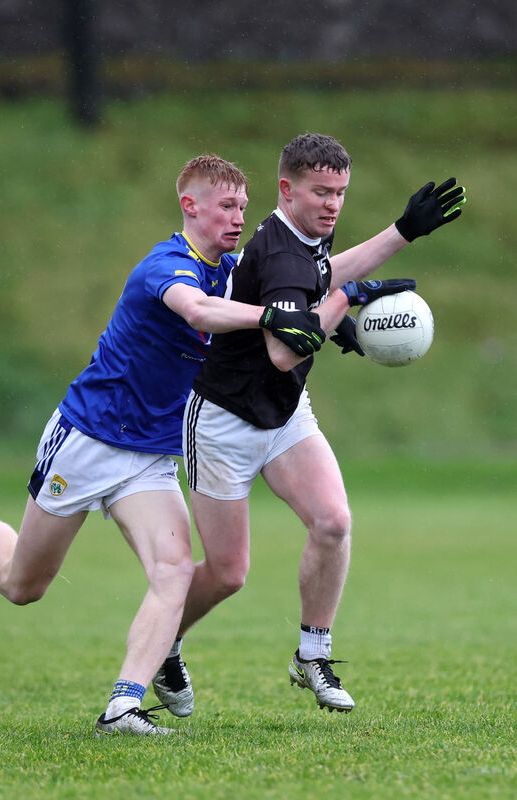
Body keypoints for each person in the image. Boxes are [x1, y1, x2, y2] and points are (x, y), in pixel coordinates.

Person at [0, 154, 330, 736]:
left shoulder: (233, 269)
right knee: (23, 584)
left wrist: (350, 289)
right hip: (88, 440)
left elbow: (313, 277)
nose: (237, 218)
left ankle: (122, 707)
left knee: (174, 569)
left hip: (151, 455)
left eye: (243, 209)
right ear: (190, 205)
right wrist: (277, 318)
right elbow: (199, 309)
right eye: (226, 206)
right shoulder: (165, 265)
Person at [154, 134, 466, 715]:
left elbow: (322, 276)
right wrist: (345, 303)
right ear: (285, 189)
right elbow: (283, 351)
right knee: (227, 573)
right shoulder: (278, 251)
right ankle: (165, 640)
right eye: (321, 192)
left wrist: (403, 232)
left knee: (333, 521)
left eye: (341, 193)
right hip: (223, 422)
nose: (332, 205)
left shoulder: (304, 238)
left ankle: (312, 654)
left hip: (285, 414)